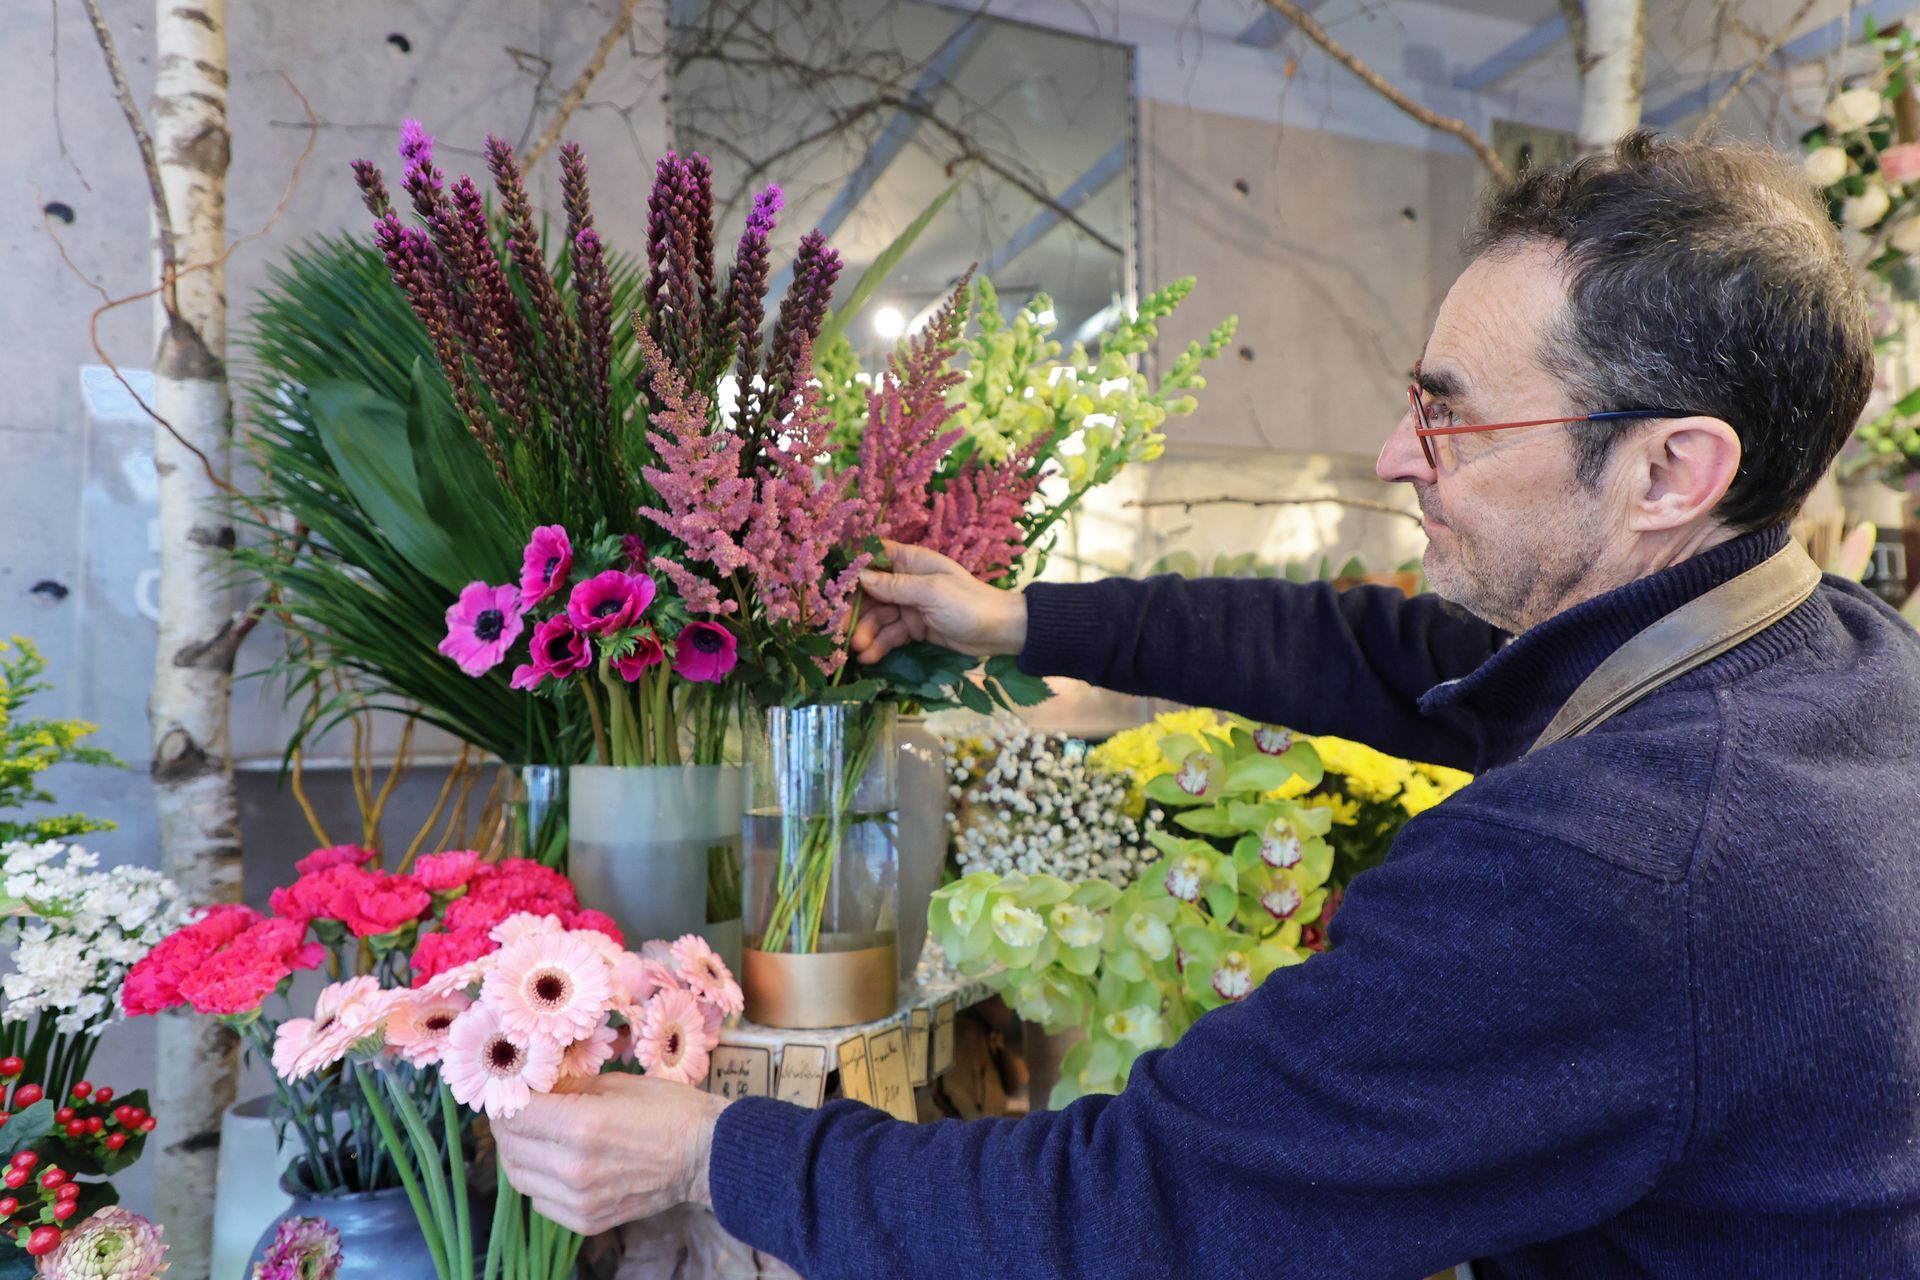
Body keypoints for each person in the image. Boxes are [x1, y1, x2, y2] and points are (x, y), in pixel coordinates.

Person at [494, 133, 1920, 1277]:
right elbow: (1369, 653)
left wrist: (709, 1156)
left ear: (1672, 472)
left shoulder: (1609, 864)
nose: (1393, 457)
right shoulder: (1830, 661)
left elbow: (1134, 1211)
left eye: (1452, 416)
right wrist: (1022, 618)